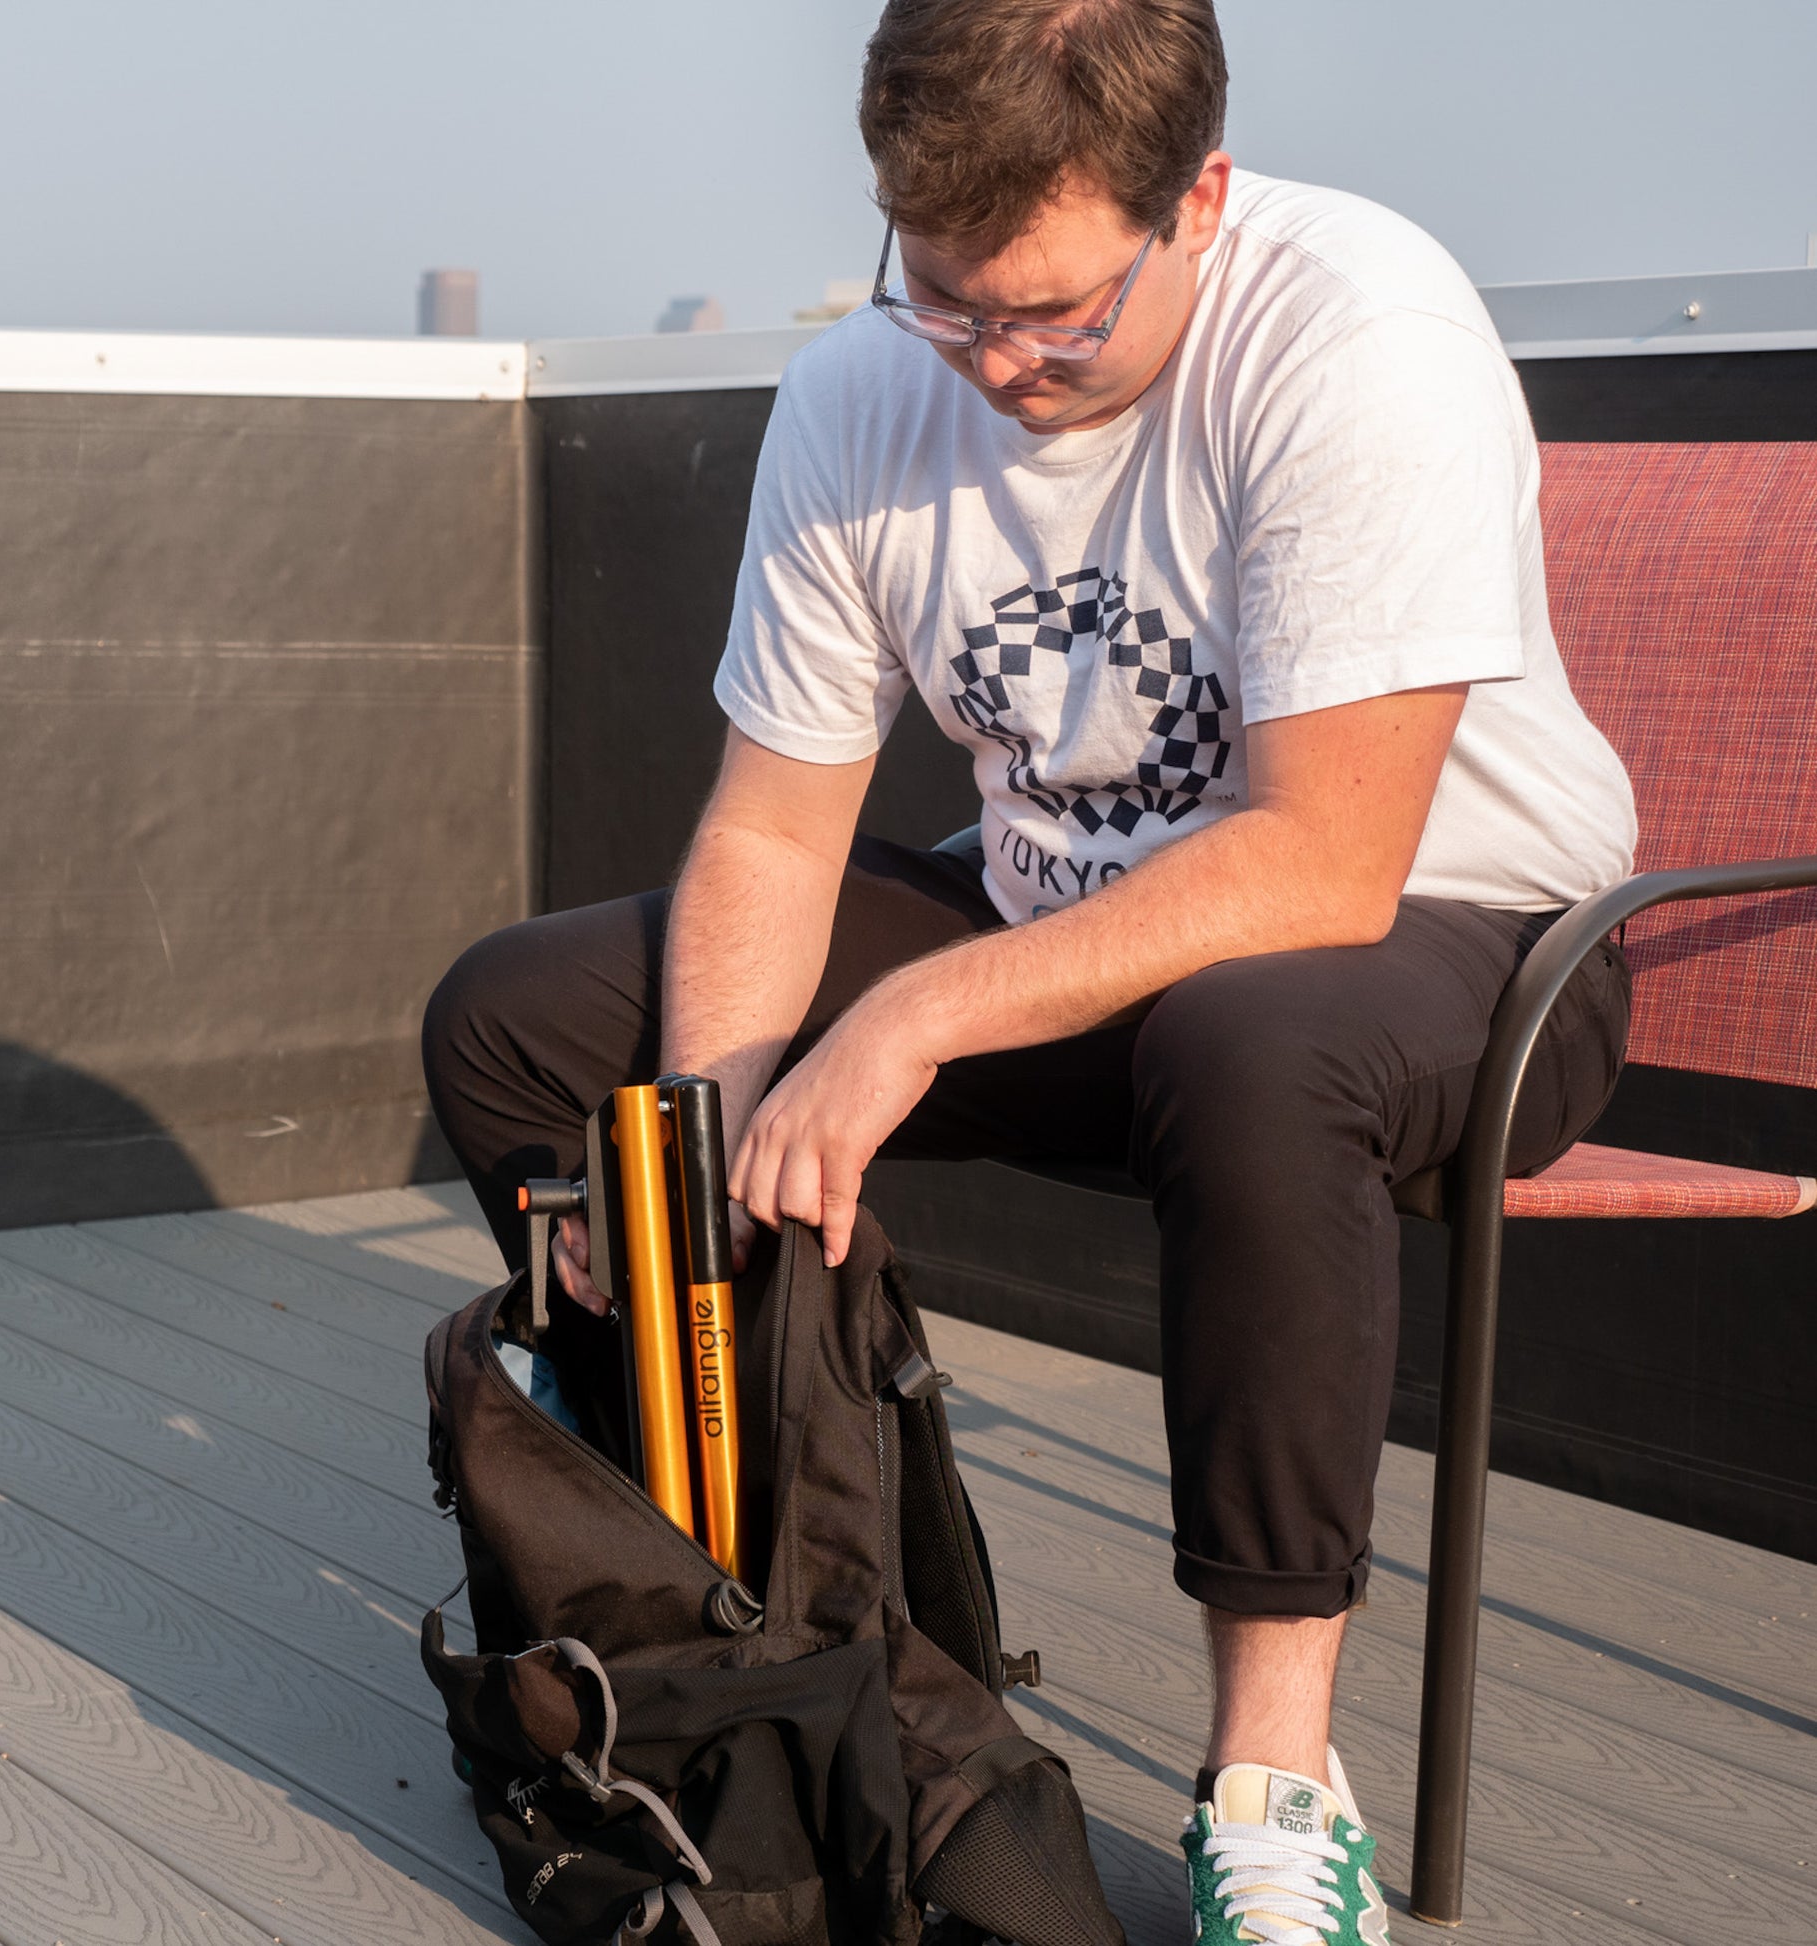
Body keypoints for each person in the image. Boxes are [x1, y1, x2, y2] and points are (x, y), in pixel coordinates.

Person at [423, 1, 1636, 1937]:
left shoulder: (1355, 339)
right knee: (523, 1023)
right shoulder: (856, 401)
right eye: (948, 302)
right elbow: (769, 833)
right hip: (1073, 928)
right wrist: (711, 1141)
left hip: (1464, 944)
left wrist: (910, 1014)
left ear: (1201, 200)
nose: (998, 367)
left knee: (1256, 1046)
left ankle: (1269, 1789)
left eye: (1057, 318)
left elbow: (1326, 860)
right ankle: (731, 1578)